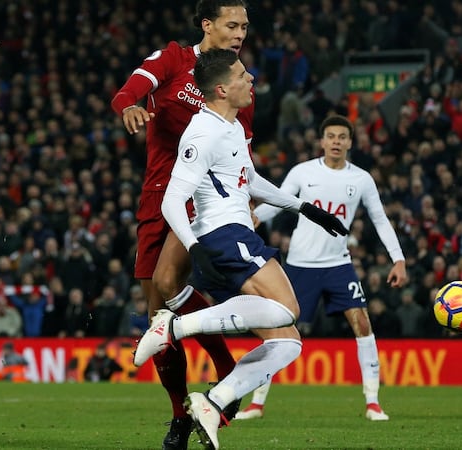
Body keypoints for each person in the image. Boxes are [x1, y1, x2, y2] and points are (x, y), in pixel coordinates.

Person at [139, 48, 348, 450]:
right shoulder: (203, 132)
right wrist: (194, 246)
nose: (250, 79)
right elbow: (172, 200)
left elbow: (247, 178)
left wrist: (304, 208)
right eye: (241, 75)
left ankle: (214, 401)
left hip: (234, 232)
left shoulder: (231, 125)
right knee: (289, 308)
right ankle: (172, 327)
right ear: (221, 89)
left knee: (287, 341)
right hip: (222, 233)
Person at [110, 2, 252, 448]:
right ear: (207, 25)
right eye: (232, 25)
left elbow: (243, 157)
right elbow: (127, 92)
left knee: (168, 286)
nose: (240, 33)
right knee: (159, 315)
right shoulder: (173, 59)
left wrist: (246, 203)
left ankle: (226, 367)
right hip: (158, 195)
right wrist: (129, 107)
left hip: (202, 199)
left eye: (245, 26)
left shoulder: (239, 83)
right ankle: (179, 416)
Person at [235, 114, 408, 422]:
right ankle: (257, 403)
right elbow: (279, 200)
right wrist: (256, 217)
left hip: (338, 265)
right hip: (300, 265)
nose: (336, 142)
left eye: (342, 137)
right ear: (322, 141)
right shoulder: (303, 172)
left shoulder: (362, 179)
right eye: (331, 136)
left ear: (350, 142)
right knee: (277, 330)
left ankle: (373, 402)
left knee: (362, 323)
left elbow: (380, 219)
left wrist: (398, 258)